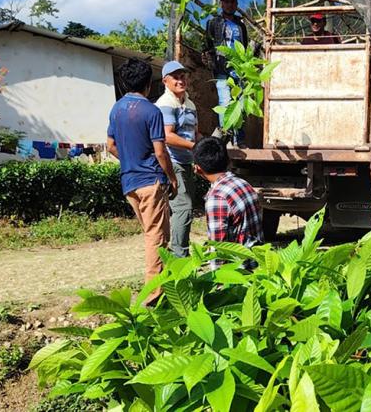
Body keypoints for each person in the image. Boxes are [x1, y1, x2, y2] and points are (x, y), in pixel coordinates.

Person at [106, 58, 178, 305]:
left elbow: (111, 146)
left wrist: (129, 161)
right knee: (156, 239)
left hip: (130, 183)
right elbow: (160, 152)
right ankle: (154, 296)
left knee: (151, 234)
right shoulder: (151, 111)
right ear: (149, 84)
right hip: (151, 181)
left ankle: (163, 287)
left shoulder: (116, 110)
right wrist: (171, 177)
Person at [155, 60, 199, 258]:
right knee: (184, 208)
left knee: (185, 208)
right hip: (173, 163)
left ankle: (181, 251)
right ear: (166, 81)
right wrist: (194, 147)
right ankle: (179, 256)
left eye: (183, 76)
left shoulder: (189, 104)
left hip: (186, 162)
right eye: (176, 77)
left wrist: (197, 155)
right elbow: (167, 136)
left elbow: (194, 134)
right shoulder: (166, 104)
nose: (181, 80)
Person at [192, 137, 263, 246]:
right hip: (258, 258)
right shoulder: (243, 184)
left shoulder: (217, 197)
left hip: (239, 261)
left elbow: (218, 249)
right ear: (228, 160)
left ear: (197, 168)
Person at [204, 0, 248, 148]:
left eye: (232, 1)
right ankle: (227, 139)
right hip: (221, 69)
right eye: (226, 1)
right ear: (221, 3)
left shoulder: (240, 25)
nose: (229, 4)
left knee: (240, 103)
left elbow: (246, 46)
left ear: (236, 5)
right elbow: (208, 44)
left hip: (238, 69)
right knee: (225, 102)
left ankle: (240, 140)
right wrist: (211, 59)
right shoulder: (213, 22)